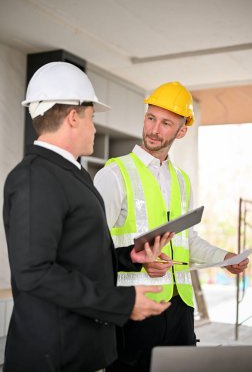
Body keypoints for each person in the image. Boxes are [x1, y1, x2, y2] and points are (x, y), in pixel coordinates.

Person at [2, 62, 174, 372]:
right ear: (73, 117)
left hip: (81, 350)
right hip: (55, 357)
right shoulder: (35, 177)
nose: (94, 128)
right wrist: (122, 303)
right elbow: (35, 272)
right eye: (92, 118)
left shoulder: (71, 173)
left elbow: (77, 255)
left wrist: (128, 257)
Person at [94, 81, 249, 372]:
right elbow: (92, 249)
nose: (154, 129)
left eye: (166, 123)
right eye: (151, 118)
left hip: (180, 309)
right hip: (135, 308)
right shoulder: (115, 174)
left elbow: (187, 240)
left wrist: (224, 258)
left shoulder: (181, 180)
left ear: (182, 130)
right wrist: (139, 264)